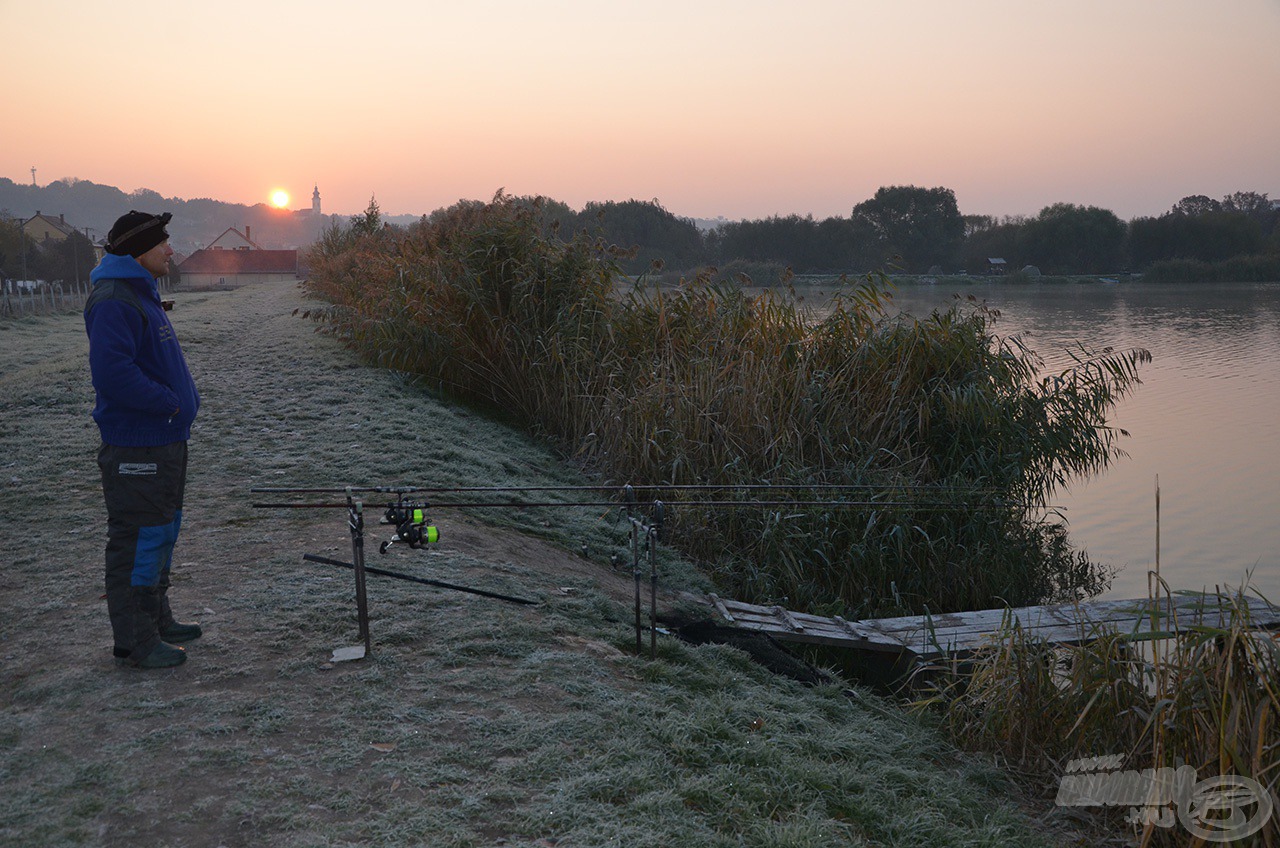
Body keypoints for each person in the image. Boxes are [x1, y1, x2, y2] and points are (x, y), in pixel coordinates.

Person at [85, 211, 202, 669]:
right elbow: (113, 373)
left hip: (163, 441)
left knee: (162, 531)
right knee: (138, 539)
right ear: (139, 251)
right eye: (163, 243)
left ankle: (156, 620)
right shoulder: (115, 299)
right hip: (138, 444)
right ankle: (136, 641)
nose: (171, 250)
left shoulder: (139, 293)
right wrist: (168, 402)